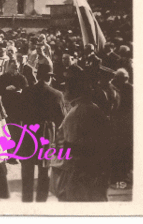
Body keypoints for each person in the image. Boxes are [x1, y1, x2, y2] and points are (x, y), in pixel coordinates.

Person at [50, 73, 111, 201]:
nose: (64, 92)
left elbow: (70, 145)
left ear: (74, 92)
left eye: (66, 89)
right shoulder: (93, 108)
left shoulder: (76, 113)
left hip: (78, 174)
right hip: (95, 170)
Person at [19, 64, 64, 202]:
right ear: (49, 77)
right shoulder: (56, 94)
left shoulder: (26, 92)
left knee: (27, 171)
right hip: (46, 134)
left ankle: (26, 202)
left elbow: (19, 113)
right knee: (44, 171)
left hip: (28, 134)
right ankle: (41, 203)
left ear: (37, 76)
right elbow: (62, 119)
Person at [0, 59, 28, 163]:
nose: (15, 69)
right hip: (7, 108)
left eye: (17, 67)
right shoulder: (3, 77)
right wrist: (6, 89)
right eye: (13, 67)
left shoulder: (21, 77)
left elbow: (27, 90)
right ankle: (10, 154)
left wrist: (19, 90)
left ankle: (18, 153)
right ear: (8, 67)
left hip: (18, 109)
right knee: (8, 131)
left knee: (18, 131)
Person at [109, 68, 133, 189]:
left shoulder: (129, 89)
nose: (117, 80)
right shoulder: (125, 88)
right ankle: (120, 174)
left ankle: (121, 174)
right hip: (121, 123)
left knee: (122, 149)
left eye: (119, 78)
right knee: (120, 148)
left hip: (124, 123)